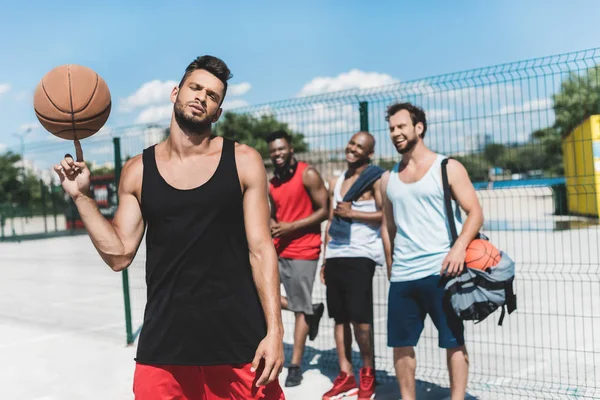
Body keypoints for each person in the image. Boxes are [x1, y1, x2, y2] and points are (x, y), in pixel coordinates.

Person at [54, 56, 285, 400]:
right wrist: (82, 197)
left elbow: (261, 249)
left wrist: (275, 332)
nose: (201, 97)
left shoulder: (243, 161)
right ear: (176, 92)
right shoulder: (138, 171)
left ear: (217, 112)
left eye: (212, 95)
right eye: (195, 87)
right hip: (165, 346)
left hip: (239, 342)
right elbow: (119, 255)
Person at [380, 102, 484, 400]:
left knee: (453, 342)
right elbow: (388, 228)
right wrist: (391, 265)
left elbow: (475, 212)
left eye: (401, 126)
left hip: (442, 271)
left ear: (418, 128)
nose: (395, 133)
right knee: (401, 345)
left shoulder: (447, 167)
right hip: (403, 275)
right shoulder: (388, 179)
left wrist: (458, 249)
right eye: (391, 129)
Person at [320, 131, 385, 400]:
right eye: (351, 143)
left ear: (369, 153)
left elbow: (385, 216)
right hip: (335, 254)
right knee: (339, 318)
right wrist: (324, 260)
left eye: (360, 146)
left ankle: (368, 373)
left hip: (361, 254)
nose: (353, 149)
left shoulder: (376, 178)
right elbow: (329, 223)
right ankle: (345, 375)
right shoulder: (336, 181)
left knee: (361, 320)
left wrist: (353, 213)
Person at [266, 130, 328, 387]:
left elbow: (325, 210)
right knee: (260, 293)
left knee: (299, 310)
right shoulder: (272, 183)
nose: (277, 154)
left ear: (290, 149)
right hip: (278, 248)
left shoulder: (308, 174)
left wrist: (291, 227)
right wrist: (272, 224)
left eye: (281, 149)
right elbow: (273, 213)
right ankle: (310, 310)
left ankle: (295, 366)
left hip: (304, 249)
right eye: (273, 151)